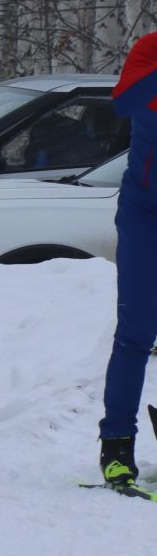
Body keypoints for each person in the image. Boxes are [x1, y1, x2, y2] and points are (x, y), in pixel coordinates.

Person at [100, 32, 157, 488]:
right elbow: (125, 102)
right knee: (136, 330)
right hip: (145, 211)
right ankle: (117, 447)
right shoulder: (148, 50)